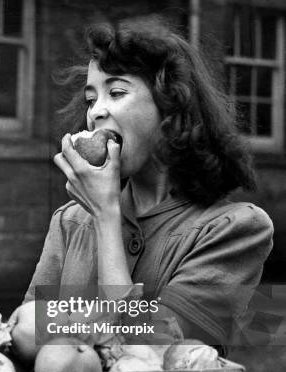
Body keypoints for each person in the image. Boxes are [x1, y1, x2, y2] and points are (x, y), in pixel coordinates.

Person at [25, 19, 274, 350]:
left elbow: (154, 351)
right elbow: (28, 333)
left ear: (170, 105)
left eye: (116, 92)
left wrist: (105, 218)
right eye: (90, 98)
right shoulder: (69, 221)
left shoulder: (240, 229)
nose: (95, 112)